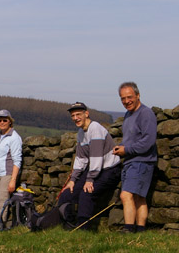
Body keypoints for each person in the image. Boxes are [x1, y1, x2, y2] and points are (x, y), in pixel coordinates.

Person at [58, 102, 121, 230]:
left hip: (110, 170)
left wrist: (90, 180)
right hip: (95, 169)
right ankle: (67, 225)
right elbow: (80, 159)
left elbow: (96, 158)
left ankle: (83, 229)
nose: (75, 118)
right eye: (73, 115)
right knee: (66, 194)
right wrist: (72, 180)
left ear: (86, 114)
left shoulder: (95, 128)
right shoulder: (81, 133)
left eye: (78, 114)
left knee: (86, 193)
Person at [112, 82, 157, 233]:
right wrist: (121, 147)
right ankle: (140, 230)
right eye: (122, 98)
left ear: (138, 96)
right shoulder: (128, 114)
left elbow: (148, 141)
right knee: (138, 198)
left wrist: (127, 150)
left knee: (126, 195)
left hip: (142, 161)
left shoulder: (146, 113)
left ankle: (128, 229)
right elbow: (131, 139)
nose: (126, 101)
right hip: (131, 160)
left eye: (129, 97)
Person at [0, 109, 22, 230]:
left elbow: (17, 160)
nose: (1, 122)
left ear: (10, 121)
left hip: (7, 174)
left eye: (4, 120)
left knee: (2, 203)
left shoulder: (14, 138)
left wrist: (13, 180)